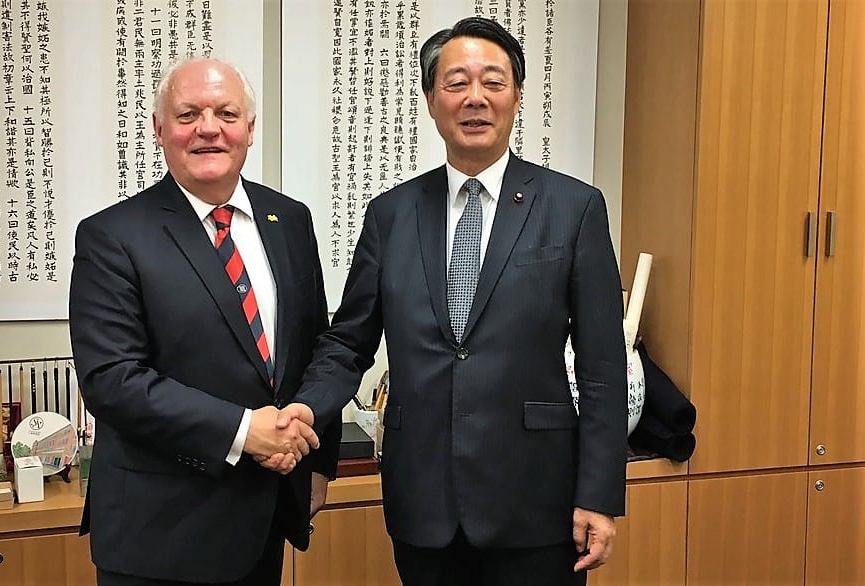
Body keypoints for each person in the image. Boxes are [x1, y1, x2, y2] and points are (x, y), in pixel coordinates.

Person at [279, 16, 627, 586]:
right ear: (431, 100)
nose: (475, 98)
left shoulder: (573, 207)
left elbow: (603, 369)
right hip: (424, 502)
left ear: (516, 96)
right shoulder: (390, 214)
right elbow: (348, 340)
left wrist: (599, 495)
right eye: (456, 82)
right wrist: (308, 408)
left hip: (538, 503)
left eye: (493, 82)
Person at [69, 56, 340, 586]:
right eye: (188, 114)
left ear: (249, 129)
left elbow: (317, 347)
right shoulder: (113, 236)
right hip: (159, 535)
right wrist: (246, 431)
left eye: (226, 113)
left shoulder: (290, 221)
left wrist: (316, 460)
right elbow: (113, 380)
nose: (208, 129)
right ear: (159, 129)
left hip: (264, 517)